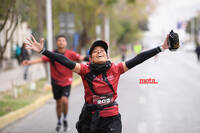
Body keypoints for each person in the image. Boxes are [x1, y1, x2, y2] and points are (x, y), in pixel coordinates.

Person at [25, 34, 170, 133]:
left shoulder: (116, 69)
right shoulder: (84, 70)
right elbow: (65, 61)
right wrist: (44, 51)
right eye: (95, 51)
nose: (99, 52)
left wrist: (161, 48)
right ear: (90, 58)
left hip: (111, 118)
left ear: (107, 56)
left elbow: (139, 58)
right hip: (89, 117)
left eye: (102, 51)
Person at [23, 35, 89, 132]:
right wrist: (29, 62)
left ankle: (65, 119)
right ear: (56, 43)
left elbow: (81, 58)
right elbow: (42, 60)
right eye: (59, 40)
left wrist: (92, 57)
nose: (61, 42)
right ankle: (59, 121)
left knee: (65, 101)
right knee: (58, 103)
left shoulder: (71, 53)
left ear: (66, 43)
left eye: (63, 40)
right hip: (56, 82)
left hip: (67, 81)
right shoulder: (52, 54)